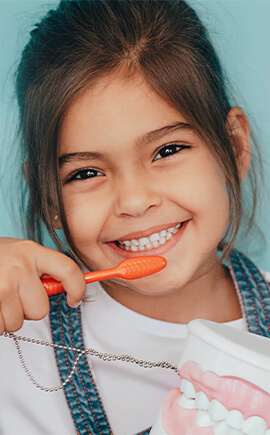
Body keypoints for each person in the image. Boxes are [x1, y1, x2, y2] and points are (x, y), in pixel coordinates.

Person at [0, 0, 268, 434]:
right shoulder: (13, 345)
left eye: (167, 150)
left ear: (233, 147)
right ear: (48, 195)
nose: (135, 201)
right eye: (86, 173)